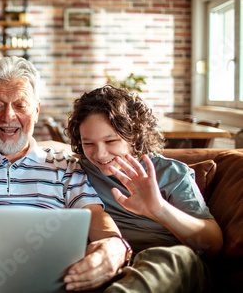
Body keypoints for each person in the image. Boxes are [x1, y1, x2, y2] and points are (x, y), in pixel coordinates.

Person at [0, 56, 129, 292]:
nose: (8, 117)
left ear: (36, 110)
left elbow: (95, 217)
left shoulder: (65, 166)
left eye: (20, 105)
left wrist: (115, 247)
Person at [65, 85, 223, 292]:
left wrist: (158, 209)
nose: (100, 154)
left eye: (111, 141)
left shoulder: (171, 173)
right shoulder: (79, 172)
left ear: (135, 136)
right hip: (112, 265)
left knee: (172, 257)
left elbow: (213, 245)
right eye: (88, 144)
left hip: (170, 265)